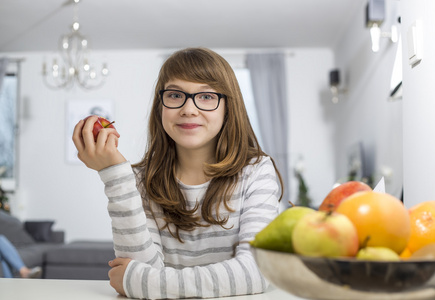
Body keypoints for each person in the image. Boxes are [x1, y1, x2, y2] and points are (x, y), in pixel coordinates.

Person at [72, 47, 284, 299]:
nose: (189, 109)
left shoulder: (256, 171)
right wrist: (114, 175)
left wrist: (143, 283)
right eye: (175, 95)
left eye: (206, 96)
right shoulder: (139, 180)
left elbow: (257, 272)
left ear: (228, 107)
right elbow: (142, 271)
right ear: (160, 105)